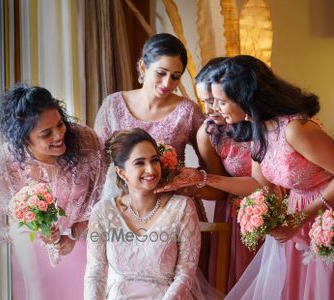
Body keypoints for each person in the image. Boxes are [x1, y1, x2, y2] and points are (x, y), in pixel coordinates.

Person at [158, 55, 334, 299]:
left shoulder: (296, 129)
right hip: (297, 217)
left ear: (245, 97)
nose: (215, 110)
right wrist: (201, 178)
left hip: (330, 212)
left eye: (221, 101)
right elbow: (258, 184)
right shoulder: (258, 130)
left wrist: (303, 217)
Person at [93, 33, 209, 274]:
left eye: (175, 77)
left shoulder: (188, 111)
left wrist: (187, 181)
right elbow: (96, 164)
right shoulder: (112, 105)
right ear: (143, 67)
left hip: (172, 216)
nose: (167, 83)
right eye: (161, 72)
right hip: (121, 213)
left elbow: (210, 170)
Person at [0, 85, 106, 299]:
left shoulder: (85, 140)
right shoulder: (5, 165)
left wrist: (75, 232)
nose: (58, 135)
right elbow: (5, 218)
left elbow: (104, 196)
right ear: (24, 139)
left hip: (84, 236)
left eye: (60, 124)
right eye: (46, 133)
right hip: (34, 244)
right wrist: (42, 234)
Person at [84, 128, 202, 299]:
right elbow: (95, 274)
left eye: (154, 161)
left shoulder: (182, 208)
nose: (151, 170)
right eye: (140, 163)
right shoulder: (102, 212)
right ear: (121, 172)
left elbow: (185, 273)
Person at [195, 57, 260, 290]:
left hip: (280, 204)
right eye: (203, 101)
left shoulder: (262, 124)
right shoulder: (209, 134)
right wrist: (193, 185)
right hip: (237, 217)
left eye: (213, 100)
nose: (209, 109)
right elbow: (220, 190)